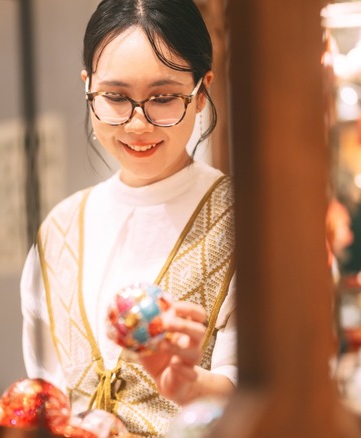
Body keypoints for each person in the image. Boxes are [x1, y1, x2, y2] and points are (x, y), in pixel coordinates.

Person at [20, 0, 236, 435]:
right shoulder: (59, 232)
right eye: (116, 97)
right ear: (88, 88)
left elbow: (264, 389)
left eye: (164, 97)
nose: (138, 124)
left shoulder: (243, 222)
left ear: (201, 92)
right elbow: (45, 394)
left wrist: (191, 387)